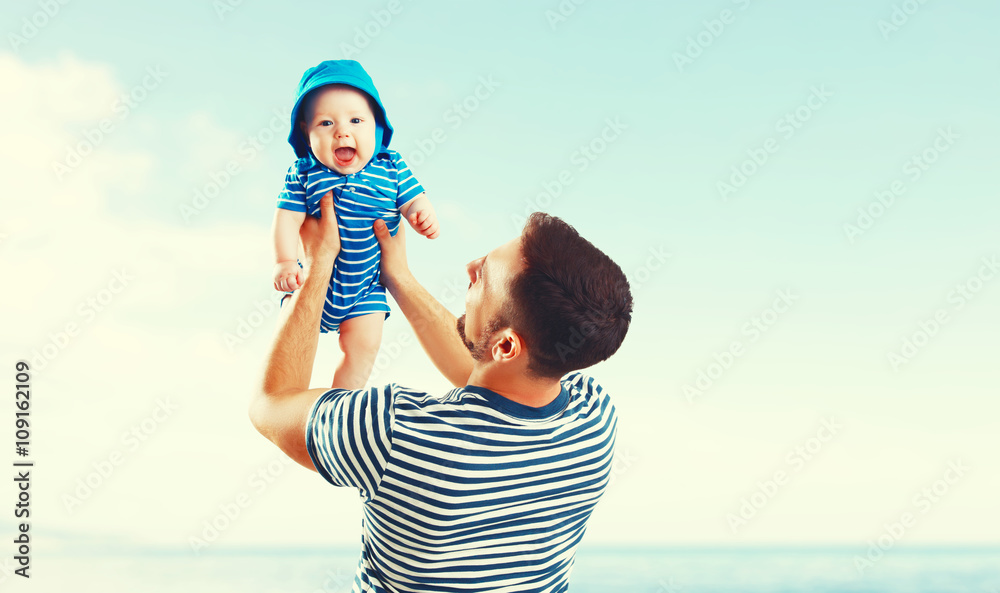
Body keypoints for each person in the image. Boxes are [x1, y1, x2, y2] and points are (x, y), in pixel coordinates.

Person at [249, 193, 633, 592]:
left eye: (483, 274)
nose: (469, 267)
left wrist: (318, 265)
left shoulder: (394, 433)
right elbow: (495, 378)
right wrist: (397, 277)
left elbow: (271, 403)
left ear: (505, 346)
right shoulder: (595, 420)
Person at [271, 59, 439, 389]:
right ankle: (287, 394)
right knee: (289, 340)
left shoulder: (391, 167)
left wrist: (421, 213)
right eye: (325, 123)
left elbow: (414, 199)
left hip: (367, 288)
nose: (342, 131)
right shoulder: (303, 173)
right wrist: (284, 261)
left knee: (364, 347)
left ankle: (342, 399)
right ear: (305, 132)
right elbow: (286, 218)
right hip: (310, 282)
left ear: (377, 126)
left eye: (356, 120)